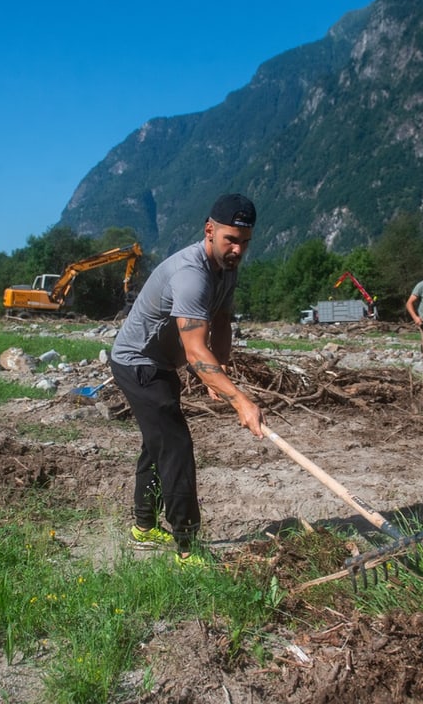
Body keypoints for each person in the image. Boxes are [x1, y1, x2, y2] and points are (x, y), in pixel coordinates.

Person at [109, 193, 266, 567]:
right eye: (230, 239)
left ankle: (144, 529)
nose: (237, 249)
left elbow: (223, 322)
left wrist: (220, 375)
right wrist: (241, 400)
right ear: (209, 230)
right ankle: (186, 547)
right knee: (175, 447)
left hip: (161, 363)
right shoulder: (191, 274)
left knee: (158, 444)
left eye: (245, 242)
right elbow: (196, 351)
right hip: (138, 364)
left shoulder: (227, 269)